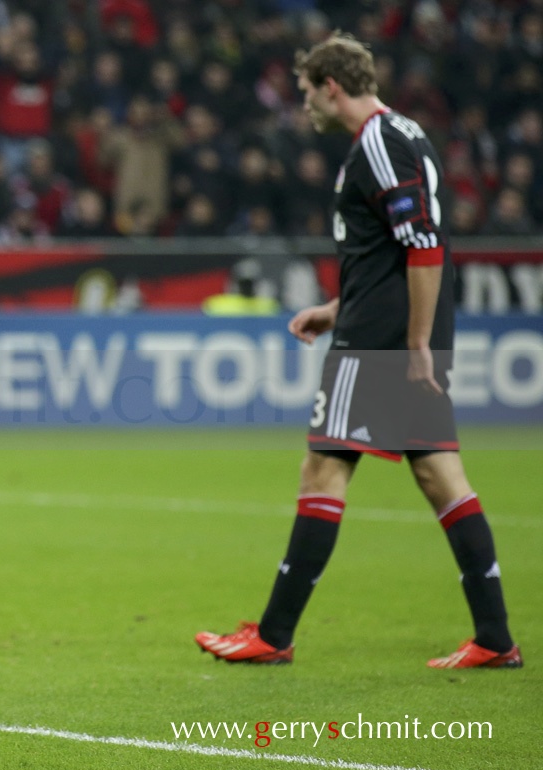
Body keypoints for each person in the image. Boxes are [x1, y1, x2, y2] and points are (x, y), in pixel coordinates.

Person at [194, 33, 520, 670]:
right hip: (385, 328)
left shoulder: (377, 142)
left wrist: (417, 342)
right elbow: (393, 254)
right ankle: (495, 636)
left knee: (324, 471)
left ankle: (274, 634)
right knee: (440, 478)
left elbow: (424, 246)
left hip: (379, 346)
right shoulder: (405, 134)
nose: (306, 105)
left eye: (308, 92)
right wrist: (333, 308)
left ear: (331, 86)